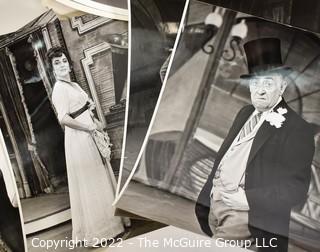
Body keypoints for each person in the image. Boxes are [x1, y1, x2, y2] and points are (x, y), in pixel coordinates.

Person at [195, 38, 315, 251]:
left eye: (268, 83)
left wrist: (248, 200)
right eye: (255, 83)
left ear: (283, 86)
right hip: (215, 206)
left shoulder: (298, 129)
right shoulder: (244, 113)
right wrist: (211, 197)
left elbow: (296, 190)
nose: (259, 90)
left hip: (247, 218)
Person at [48, 47, 124, 246]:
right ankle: (99, 231)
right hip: (78, 138)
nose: (62, 65)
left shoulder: (73, 85)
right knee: (90, 180)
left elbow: (87, 107)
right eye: (57, 63)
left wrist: (96, 124)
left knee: (100, 175)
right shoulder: (59, 89)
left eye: (64, 61)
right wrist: (87, 127)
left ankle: (114, 224)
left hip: (90, 132)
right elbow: (63, 118)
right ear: (52, 69)